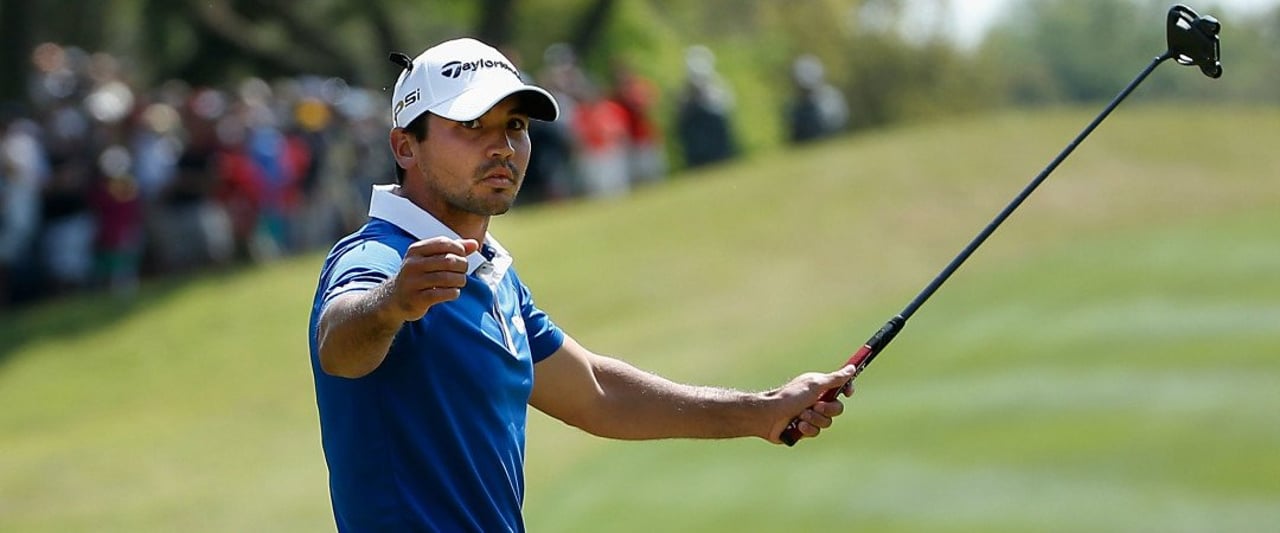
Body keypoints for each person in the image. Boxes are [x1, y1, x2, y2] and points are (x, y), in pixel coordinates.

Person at [307, 38, 858, 532]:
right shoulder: (380, 254)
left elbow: (596, 391)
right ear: (406, 147)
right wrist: (392, 304)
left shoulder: (491, 272)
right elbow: (338, 345)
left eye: (515, 126)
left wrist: (761, 410)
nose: (501, 146)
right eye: (472, 126)